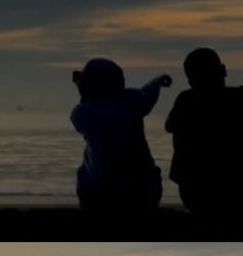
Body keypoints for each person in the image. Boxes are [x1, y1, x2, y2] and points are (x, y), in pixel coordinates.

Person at [165, 47, 243, 220]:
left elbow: (169, 126)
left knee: (181, 129)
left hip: (200, 200)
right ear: (223, 70)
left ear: (191, 80)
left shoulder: (187, 100)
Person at [71, 58, 172, 215]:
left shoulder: (83, 113)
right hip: (141, 190)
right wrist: (157, 82)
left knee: (84, 172)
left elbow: (82, 121)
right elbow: (147, 95)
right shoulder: (131, 102)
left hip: (101, 191)